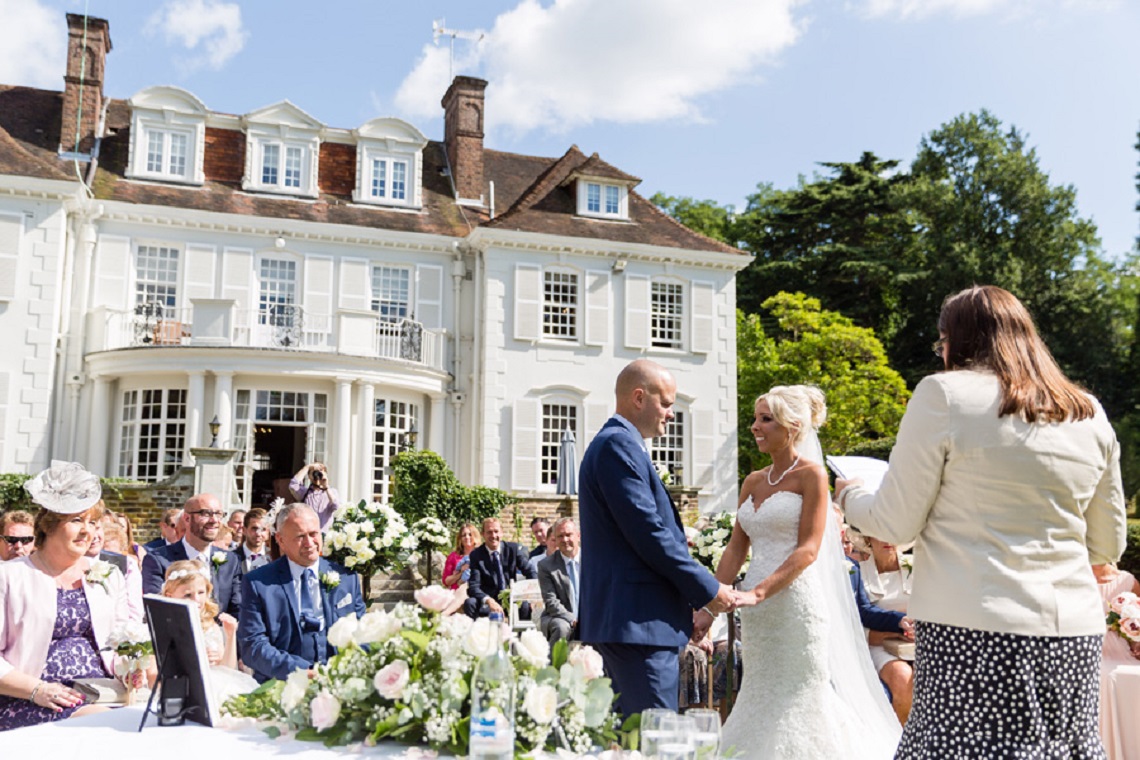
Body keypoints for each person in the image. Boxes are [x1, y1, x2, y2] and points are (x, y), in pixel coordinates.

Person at [837, 285, 1128, 759]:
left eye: (941, 343)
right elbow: (1106, 545)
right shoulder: (1088, 411)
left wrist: (851, 495)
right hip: (1071, 632)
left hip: (971, 629)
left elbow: (893, 523)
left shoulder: (944, 395)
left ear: (955, 340)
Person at [706, 385, 900, 757]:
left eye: (766, 420)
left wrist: (758, 591)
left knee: (799, 697)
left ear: (792, 427)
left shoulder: (812, 476)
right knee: (758, 692)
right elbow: (734, 551)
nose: (754, 427)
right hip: (757, 613)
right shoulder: (753, 481)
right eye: (755, 418)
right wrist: (708, 605)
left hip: (795, 606)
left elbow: (809, 549)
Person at [578, 359, 736, 717]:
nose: (670, 413)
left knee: (631, 744)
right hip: (637, 626)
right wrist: (709, 589)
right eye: (666, 403)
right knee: (653, 739)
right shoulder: (618, 446)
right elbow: (649, 533)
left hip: (635, 623)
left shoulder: (618, 445)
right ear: (638, 397)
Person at [0, 462, 130, 730]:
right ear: (48, 526)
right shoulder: (9, 577)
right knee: (106, 727)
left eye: (93, 522)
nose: (88, 531)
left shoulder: (108, 575)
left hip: (103, 693)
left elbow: (122, 641)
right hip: (31, 699)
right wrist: (38, 689)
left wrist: (133, 669)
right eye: (77, 520)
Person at [238, 503, 365, 682]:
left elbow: (362, 631)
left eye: (313, 534)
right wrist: (299, 671)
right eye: (300, 536)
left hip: (340, 682)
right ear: (280, 540)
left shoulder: (346, 577)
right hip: (283, 686)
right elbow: (253, 646)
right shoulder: (258, 583)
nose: (309, 543)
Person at [160, 560, 257, 703]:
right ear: (169, 596)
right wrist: (195, 660)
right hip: (181, 691)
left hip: (216, 686)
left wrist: (230, 637)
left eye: (201, 592)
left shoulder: (210, 626)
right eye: (188, 595)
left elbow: (228, 670)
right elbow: (157, 674)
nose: (197, 600)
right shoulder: (164, 627)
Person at [141, 494, 242, 618]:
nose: (214, 520)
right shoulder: (158, 559)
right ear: (187, 518)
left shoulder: (231, 560)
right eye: (206, 514)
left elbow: (237, 608)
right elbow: (158, 609)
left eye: (218, 514)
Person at [856, 534, 916, 724]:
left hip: (920, 643)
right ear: (867, 539)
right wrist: (892, 633)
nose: (887, 540)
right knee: (902, 677)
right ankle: (903, 745)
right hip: (877, 645)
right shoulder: (857, 571)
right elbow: (856, 622)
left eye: (892, 532)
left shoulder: (918, 565)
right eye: (879, 533)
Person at [1092, 562, 1140, 760]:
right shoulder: (1074, 578)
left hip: (1122, 650)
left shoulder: (1128, 580)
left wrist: (1137, 641)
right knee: (1105, 674)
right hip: (1089, 649)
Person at [462, 517, 536, 618]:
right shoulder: (476, 555)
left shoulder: (512, 549)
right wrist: (488, 600)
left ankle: (521, 634)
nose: (493, 536)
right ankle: (476, 632)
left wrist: (533, 596)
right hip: (489, 600)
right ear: (483, 534)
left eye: (496, 531)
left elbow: (530, 572)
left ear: (502, 532)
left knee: (524, 605)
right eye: (489, 532)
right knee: (470, 603)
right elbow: (474, 586)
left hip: (511, 598)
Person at [537, 517, 581, 644]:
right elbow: (551, 601)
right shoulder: (546, 565)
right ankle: (555, 663)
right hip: (559, 615)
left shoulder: (592, 561)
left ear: (578, 536)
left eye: (568, 535)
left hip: (590, 615)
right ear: (555, 540)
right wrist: (573, 619)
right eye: (560, 536)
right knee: (561, 627)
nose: (565, 540)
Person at [290, 462, 341, 530]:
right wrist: (307, 467)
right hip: (309, 534)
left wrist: (326, 487)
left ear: (325, 474)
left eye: (320, 472)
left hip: (325, 536)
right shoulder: (305, 493)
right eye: (314, 472)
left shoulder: (332, 492)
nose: (317, 474)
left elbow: (336, 506)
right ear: (309, 476)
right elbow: (293, 485)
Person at [442, 522, 478, 590]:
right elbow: (446, 582)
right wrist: (461, 572)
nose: (467, 537)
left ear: (475, 536)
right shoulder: (453, 556)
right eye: (464, 535)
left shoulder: (481, 554)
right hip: (457, 593)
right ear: (460, 539)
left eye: (470, 534)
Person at [234, 508, 271, 574]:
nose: (258, 534)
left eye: (263, 529)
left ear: (268, 532)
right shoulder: (232, 557)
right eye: (254, 528)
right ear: (244, 530)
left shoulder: (274, 557)